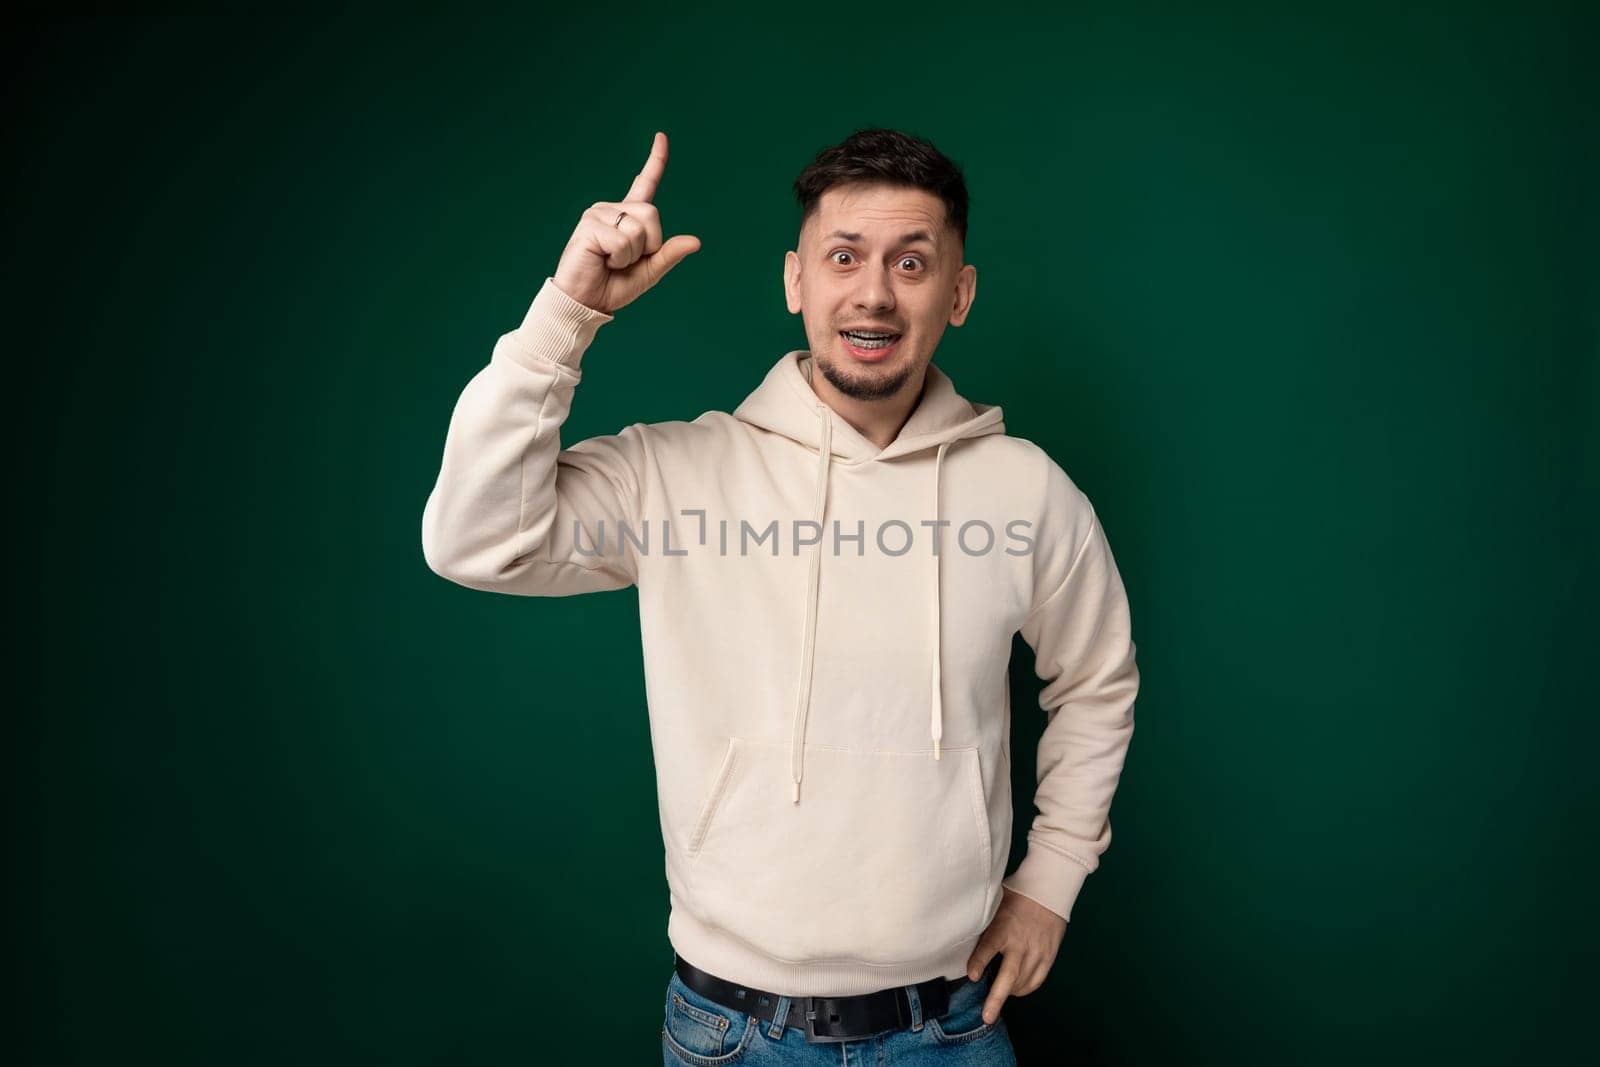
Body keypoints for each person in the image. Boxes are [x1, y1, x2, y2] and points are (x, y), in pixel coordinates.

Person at [421, 127, 1141, 1063]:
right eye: (844, 257)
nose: (874, 292)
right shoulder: (676, 475)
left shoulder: (1027, 490)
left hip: (950, 1026)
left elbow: (1095, 682)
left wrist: (1049, 881)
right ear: (797, 280)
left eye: (912, 262)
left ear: (958, 294)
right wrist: (568, 315)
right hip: (729, 1030)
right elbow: (473, 538)